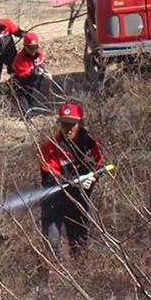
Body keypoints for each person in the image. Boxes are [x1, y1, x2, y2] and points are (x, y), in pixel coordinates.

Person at [38, 101, 104, 257]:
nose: (68, 129)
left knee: (80, 246)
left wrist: (91, 180)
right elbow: (49, 178)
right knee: (51, 243)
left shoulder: (92, 145)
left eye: (72, 124)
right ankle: (49, 278)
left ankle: (80, 278)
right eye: (64, 124)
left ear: (80, 123)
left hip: (78, 203)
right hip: (53, 202)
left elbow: (97, 168)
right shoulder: (50, 147)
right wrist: (73, 182)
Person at [0, 10, 26, 105]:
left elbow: (17, 31)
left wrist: (24, 34)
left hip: (10, 53)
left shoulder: (6, 23)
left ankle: (15, 93)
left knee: (14, 73)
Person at [10, 32, 49, 117]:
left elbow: (40, 65)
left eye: (35, 47)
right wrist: (34, 74)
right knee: (26, 113)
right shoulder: (19, 60)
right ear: (25, 47)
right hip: (21, 86)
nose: (33, 51)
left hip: (34, 84)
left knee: (33, 101)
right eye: (31, 48)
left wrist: (44, 73)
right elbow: (23, 79)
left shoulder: (38, 53)